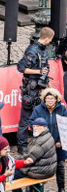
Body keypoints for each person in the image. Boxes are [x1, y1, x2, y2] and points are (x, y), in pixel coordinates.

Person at [16, 26, 54, 154]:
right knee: (25, 119)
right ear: (48, 38)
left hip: (40, 88)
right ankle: (22, 146)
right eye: (51, 39)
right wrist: (38, 71)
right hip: (30, 90)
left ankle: (38, 143)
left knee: (40, 117)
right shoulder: (32, 50)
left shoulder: (43, 50)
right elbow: (21, 68)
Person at [30, 87, 67, 191]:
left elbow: (65, 125)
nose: (50, 100)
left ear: (56, 99)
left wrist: (60, 141)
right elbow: (32, 122)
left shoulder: (62, 109)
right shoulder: (38, 109)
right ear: (44, 99)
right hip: (43, 144)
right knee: (41, 166)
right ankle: (38, 188)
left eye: (52, 98)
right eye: (48, 98)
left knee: (60, 166)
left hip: (58, 144)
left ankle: (61, 188)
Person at [15, 117, 56, 185]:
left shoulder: (41, 141)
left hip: (42, 172)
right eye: (34, 126)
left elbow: (30, 158)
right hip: (47, 169)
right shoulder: (48, 135)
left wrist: (15, 161)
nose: (35, 128)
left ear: (44, 127)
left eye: (38, 126)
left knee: (15, 172)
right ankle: (35, 187)